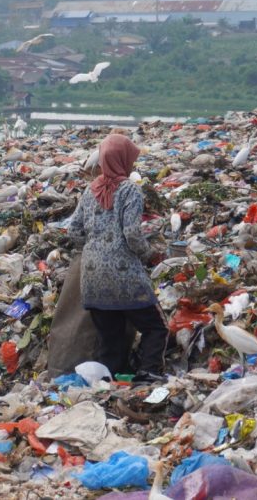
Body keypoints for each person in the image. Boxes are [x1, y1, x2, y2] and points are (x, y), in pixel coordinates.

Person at [66, 134, 167, 384]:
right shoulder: (130, 190)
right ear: (124, 159)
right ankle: (149, 373)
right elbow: (132, 233)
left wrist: (94, 249)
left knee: (110, 336)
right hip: (124, 275)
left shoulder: (90, 191)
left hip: (92, 276)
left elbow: (73, 231)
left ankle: (110, 383)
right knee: (155, 327)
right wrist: (149, 253)